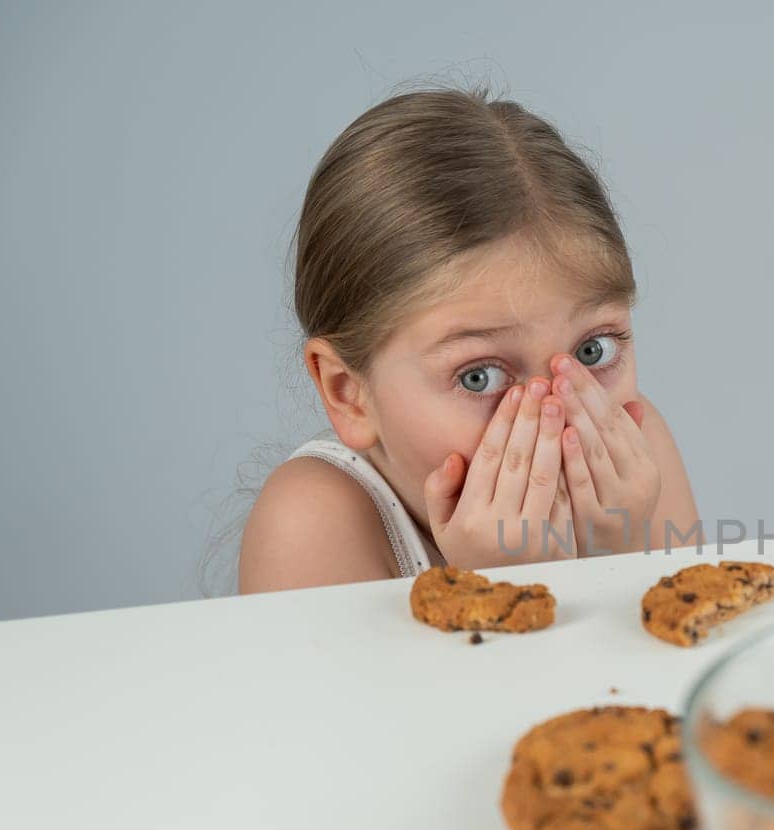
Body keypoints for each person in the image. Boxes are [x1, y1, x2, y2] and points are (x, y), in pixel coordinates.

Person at [237, 85, 701, 594]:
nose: (556, 410)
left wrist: (619, 557)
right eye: (479, 376)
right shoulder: (313, 522)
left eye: (593, 352)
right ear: (349, 393)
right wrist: (512, 586)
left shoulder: (637, 455)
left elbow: (681, 663)